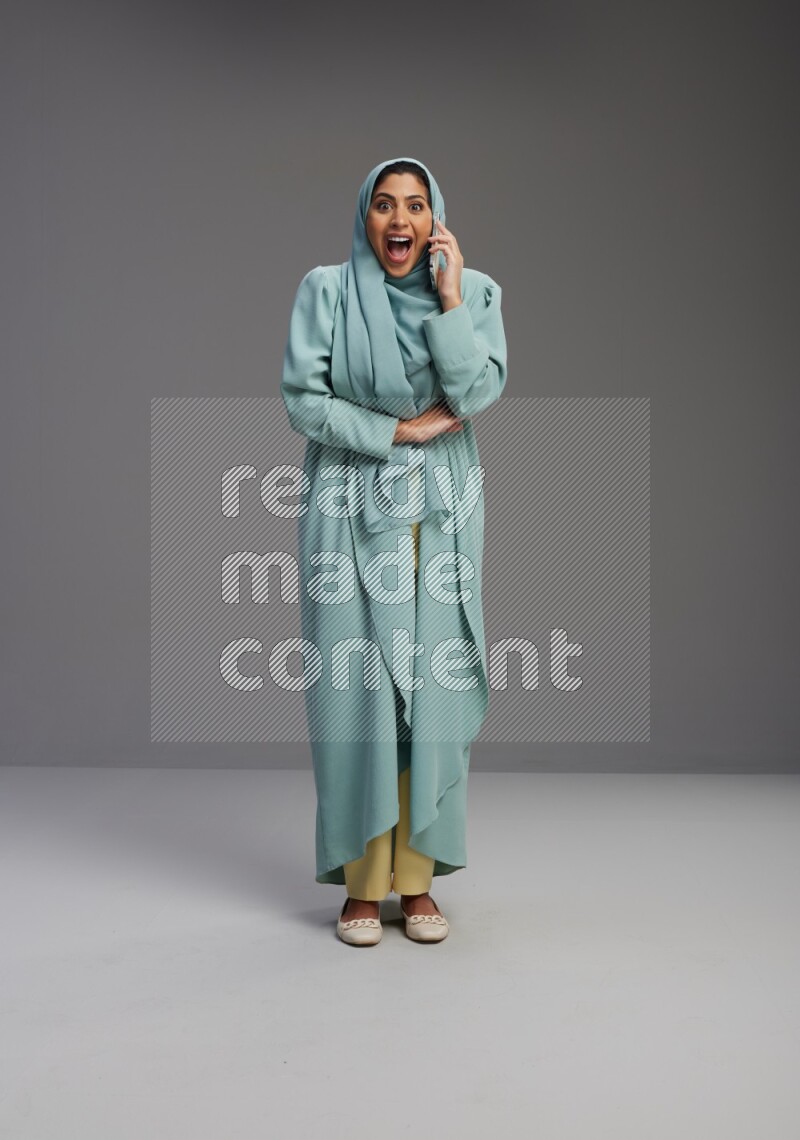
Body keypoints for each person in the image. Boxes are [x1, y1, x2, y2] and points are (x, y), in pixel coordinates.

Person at [281, 156, 507, 946]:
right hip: (347, 500)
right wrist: (394, 431)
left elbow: (477, 394)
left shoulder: (476, 295)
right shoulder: (327, 290)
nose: (399, 220)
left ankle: (417, 884)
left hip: (441, 510)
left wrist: (448, 301)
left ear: (435, 218)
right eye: (384, 205)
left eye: (415, 205)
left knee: (430, 692)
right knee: (357, 693)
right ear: (365, 217)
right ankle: (360, 883)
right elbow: (302, 399)